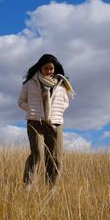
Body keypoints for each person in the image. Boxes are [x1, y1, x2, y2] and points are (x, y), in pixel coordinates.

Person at [18, 54, 75, 186]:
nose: (49, 71)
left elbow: (66, 102)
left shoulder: (61, 84)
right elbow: (20, 101)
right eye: (46, 68)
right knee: (37, 154)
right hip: (35, 121)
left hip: (55, 123)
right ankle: (28, 186)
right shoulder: (30, 83)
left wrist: (59, 111)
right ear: (40, 67)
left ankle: (51, 189)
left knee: (55, 157)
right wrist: (31, 109)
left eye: (51, 69)